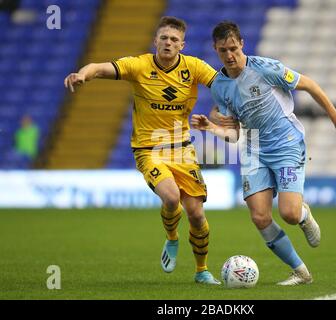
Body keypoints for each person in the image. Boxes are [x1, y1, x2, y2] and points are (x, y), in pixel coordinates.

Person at [191, 21, 336, 285]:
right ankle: (301, 272)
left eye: (233, 48)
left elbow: (310, 85)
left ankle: (303, 215)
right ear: (215, 49)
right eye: (223, 50)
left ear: (242, 44)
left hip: (286, 144)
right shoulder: (220, 86)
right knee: (259, 216)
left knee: (289, 214)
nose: (230, 55)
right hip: (253, 148)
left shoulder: (266, 68)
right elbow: (233, 133)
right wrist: (210, 127)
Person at [64, 16, 220, 285]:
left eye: (174, 39)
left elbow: (223, 86)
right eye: (164, 38)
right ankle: (172, 239)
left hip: (182, 149)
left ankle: (201, 270)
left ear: (182, 44)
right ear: (155, 41)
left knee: (196, 213)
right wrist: (83, 75)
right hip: (149, 149)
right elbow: (99, 68)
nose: (168, 43)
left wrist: (228, 110)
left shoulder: (194, 67)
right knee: (171, 198)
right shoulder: (139, 65)